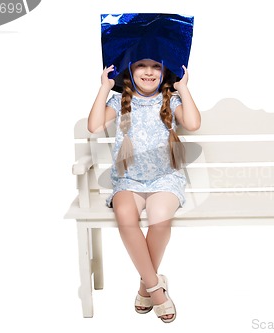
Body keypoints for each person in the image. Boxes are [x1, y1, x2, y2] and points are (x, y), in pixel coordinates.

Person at [87, 59, 200, 323]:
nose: (149, 72)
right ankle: (156, 290)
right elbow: (93, 126)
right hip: (129, 180)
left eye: (156, 67)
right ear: (130, 71)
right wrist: (105, 87)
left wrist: (182, 89)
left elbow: (193, 124)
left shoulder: (169, 101)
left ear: (164, 72)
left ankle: (144, 286)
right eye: (141, 66)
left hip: (165, 178)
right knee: (125, 215)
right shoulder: (120, 101)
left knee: (160, 218)